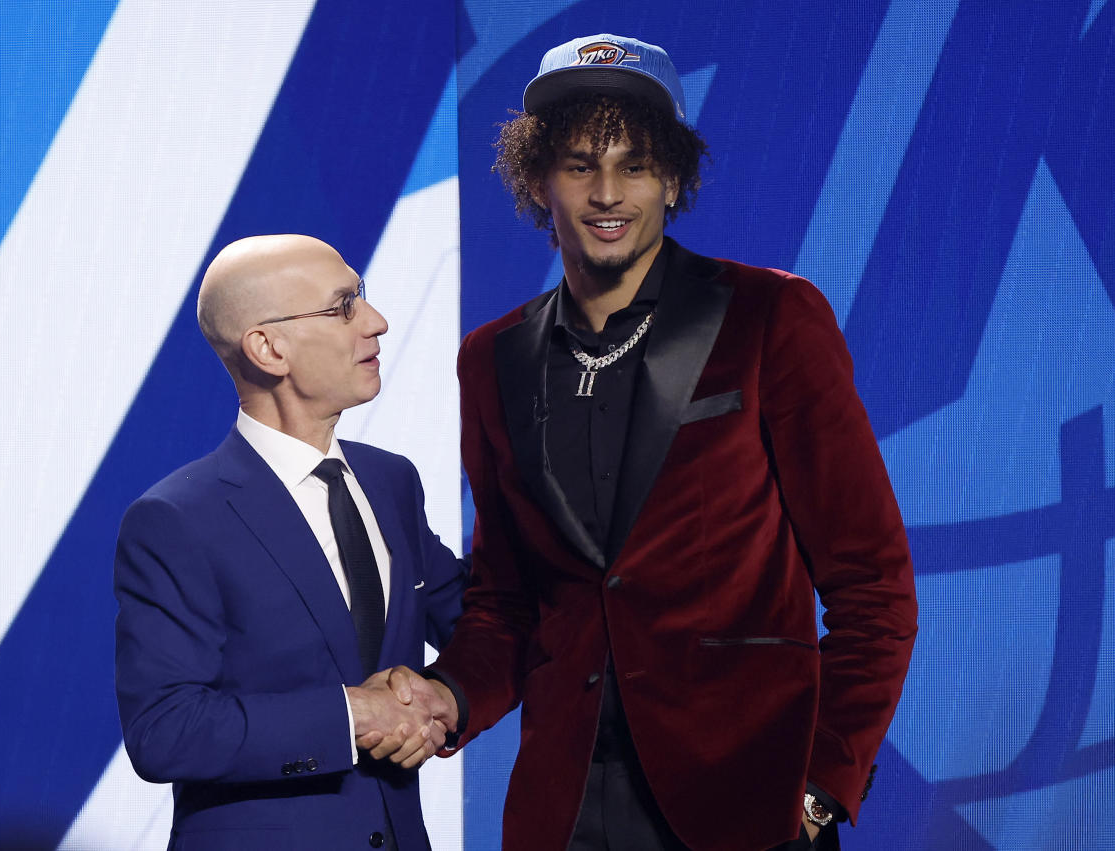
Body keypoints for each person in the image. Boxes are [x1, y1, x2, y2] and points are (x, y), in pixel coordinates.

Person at [413, 34, 918, 850]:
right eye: (579, 165)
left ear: (674, 178)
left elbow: (874, 587)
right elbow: (508, 603)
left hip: (746, 808)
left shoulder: (771, 319)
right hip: (563, 806)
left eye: (635, 165)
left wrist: (822, 785)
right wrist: (446, 698)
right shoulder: (492, 357)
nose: (607, 192)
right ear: (538, 180)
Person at [113, 234, 466, 850]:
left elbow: (483, 621)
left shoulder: (392, 482)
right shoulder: (177, 518)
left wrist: (444, 696)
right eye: (343, 306)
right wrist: (353, 715)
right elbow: (165, 729)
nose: (377, 323)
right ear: (269, 347)